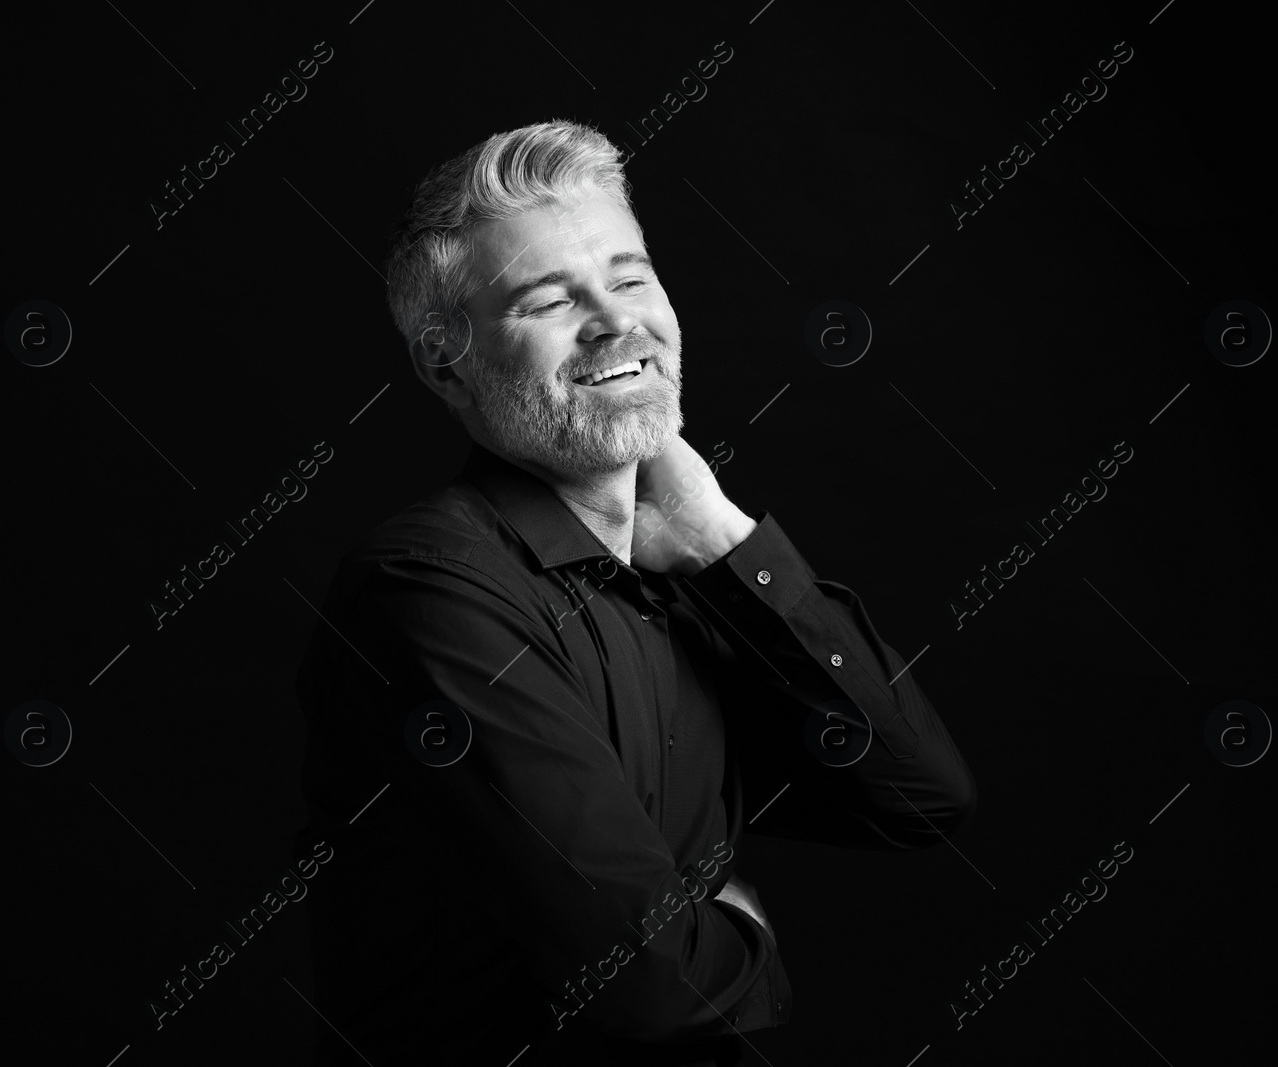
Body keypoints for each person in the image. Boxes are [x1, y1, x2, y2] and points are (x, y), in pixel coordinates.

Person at [293, 120, 977, 1066]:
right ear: (446, 361)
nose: (617, 322)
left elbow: (917, 795)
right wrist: (759, 941)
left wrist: (726, 542)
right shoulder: (432, 595)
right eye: (548, 300)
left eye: (628, 276)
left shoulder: (685, 581)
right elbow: (650, 980)